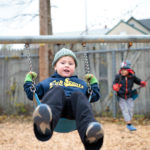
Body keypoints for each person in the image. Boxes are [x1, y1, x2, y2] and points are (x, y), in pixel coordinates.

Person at [24, 48, 104, 150]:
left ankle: (90, 135)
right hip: (55, 112)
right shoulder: (47, 82)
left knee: (78, 96)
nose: (67, 65)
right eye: (62, 62)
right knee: (57, 90)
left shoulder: (82, 84)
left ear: (74, 67)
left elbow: (95, 96)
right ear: (55, 66)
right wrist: (28, 81)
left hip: (74, 112)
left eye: (71, 63)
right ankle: (45, 124)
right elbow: (32, 94)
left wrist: (93, 83)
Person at [112, 60, 147, 131]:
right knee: (125, 109)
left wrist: (141, 83)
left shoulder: (132, 77)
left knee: (130, 109)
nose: (123, 71)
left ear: (128, 70)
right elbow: (114, 83)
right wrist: (115, 87)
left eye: (125, 70)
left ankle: (129, 122)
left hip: (129, 96)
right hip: (121, 96)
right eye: (121, 70)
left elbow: (138, 81)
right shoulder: (118, 76)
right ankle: (129, 124)